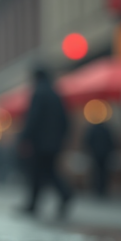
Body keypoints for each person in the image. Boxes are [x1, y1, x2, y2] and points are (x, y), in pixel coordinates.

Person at [17, 67, 73, 217]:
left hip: (40, 143)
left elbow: (33, 119)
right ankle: (62, 195)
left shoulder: (39, 94)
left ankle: (36, 204)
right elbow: (65, 120)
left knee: (38, 173)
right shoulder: (55, 94)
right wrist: (61, 139)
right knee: (48, 172)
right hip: (54, 143)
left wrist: (24, 138)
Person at [84, 121, 115, 196]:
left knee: (96, 172)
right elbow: (112, 141)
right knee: (104, 172)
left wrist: (90, 150)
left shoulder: (93, 130)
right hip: (105, 154)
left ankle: (96, 188)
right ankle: (103, 188)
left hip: (95, 153)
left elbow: (88, 141)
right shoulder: (106, 130)